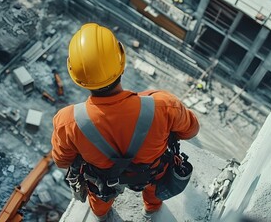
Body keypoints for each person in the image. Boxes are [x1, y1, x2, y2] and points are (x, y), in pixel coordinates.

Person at [50, 23, 200, 220]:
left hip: (104, 180)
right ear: (121, 60)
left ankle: (102, 216)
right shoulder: (163, 105)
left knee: (100, 197)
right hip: (152, 172)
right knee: (155, 183)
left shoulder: (67, 121)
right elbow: (191, 130)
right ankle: (151, 209)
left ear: (76, 76)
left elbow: (62, 160)